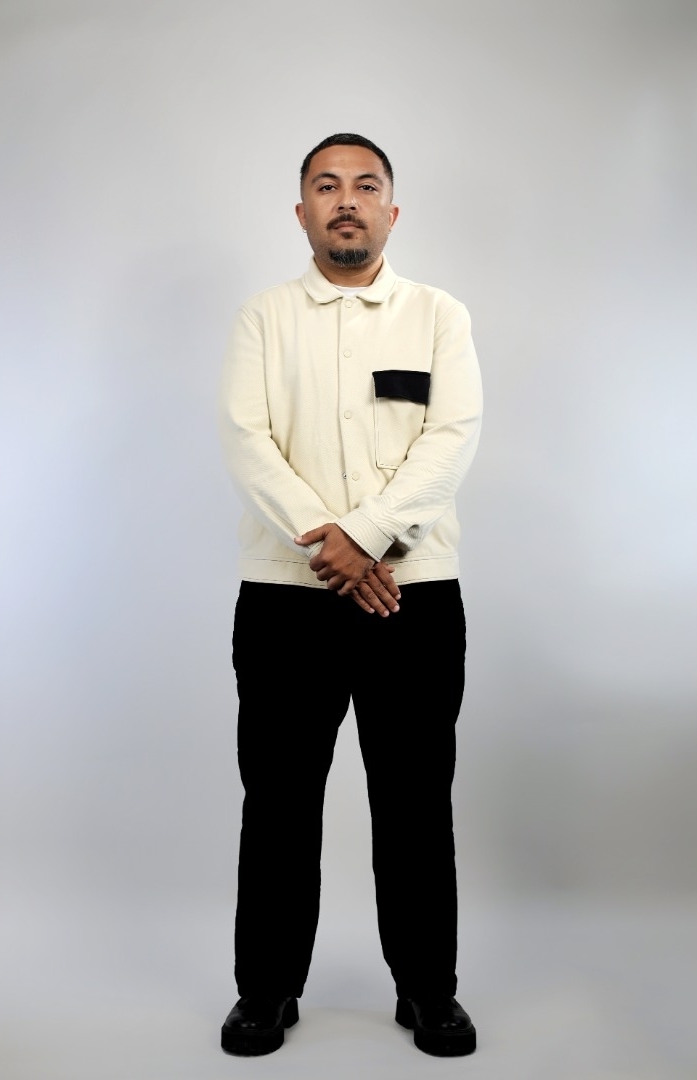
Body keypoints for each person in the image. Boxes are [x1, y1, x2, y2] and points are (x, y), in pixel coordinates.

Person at [219, 133, 483, 1058]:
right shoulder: (263, 318)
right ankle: (265, 992)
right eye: (326, 186)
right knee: (279, 802)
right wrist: (332, 543)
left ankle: (428, 990)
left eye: (365, 186)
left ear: (391, 212)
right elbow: (247, 440)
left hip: (413, 599)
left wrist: (366, 537)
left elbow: (451, 438)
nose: (346, 201)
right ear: (301, 212)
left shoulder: (438, 315)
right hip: (283, 603)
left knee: (415, 801)